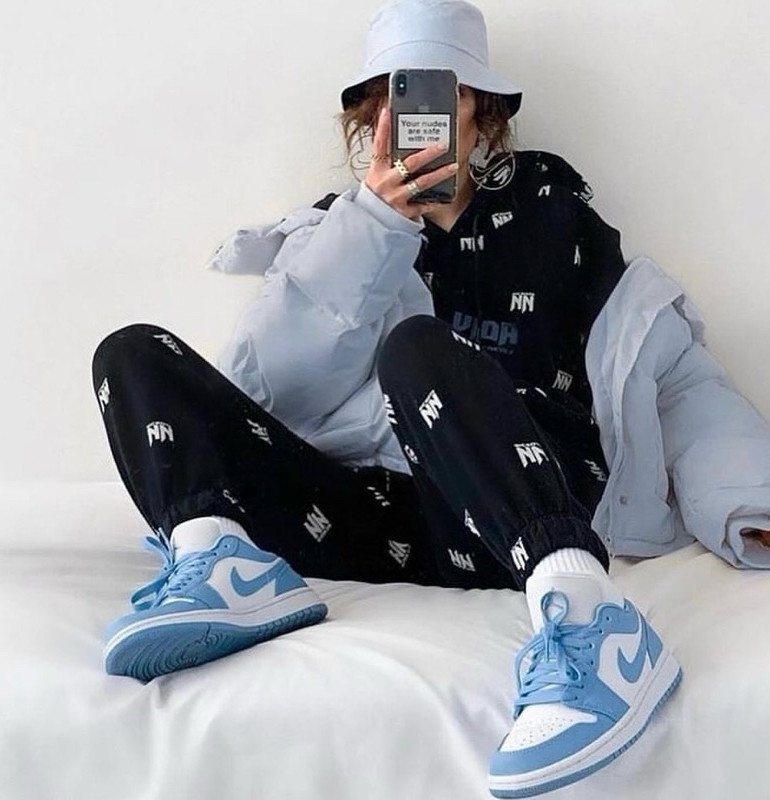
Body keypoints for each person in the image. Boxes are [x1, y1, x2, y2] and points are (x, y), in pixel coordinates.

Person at [92, 0, 770, 797]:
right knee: (131, 353)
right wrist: (373, 228)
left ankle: (590, 619)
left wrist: (748, 498)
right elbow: (266, 393)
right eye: (393, 92)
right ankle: (219, 562)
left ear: (481, 110)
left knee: (416, 349)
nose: (413, 114)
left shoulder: (551, 215)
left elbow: (669, 368)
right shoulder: (339, 232)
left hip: (526, 503)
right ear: (370, 113)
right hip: (374, 520)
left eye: (442, 91)